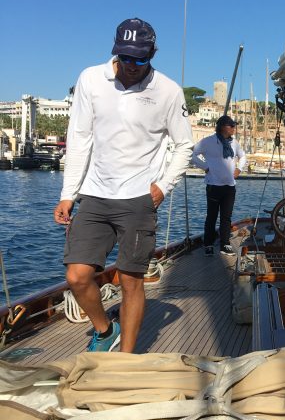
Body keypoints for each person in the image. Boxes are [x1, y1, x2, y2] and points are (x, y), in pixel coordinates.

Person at [53, 18, 194, 353]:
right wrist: (68, 194)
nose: (131, 66)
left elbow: (184, 145)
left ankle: (127, 361)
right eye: (125, 58)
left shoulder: (169, 91)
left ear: (153, 54)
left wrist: (162, 186)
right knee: (77, 276)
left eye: (140, 59)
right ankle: (105, 331)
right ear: (116, 51)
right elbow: (80, 138)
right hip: (95, 195)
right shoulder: (90, 79)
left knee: (131, 282)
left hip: (138, 199)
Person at [191, 115, 247, 256]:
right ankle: (208, 244)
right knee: (212, 216)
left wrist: (239, 168)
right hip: (213, 184)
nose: (234, 128)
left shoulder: (234, 143)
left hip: (229, 186)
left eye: (234, 125)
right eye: (231, 125)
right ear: (223, 127)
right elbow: (192, 154)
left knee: (226, 217)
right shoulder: (208, 141)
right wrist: (205, 167)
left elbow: (243, 156)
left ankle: (224, 244)